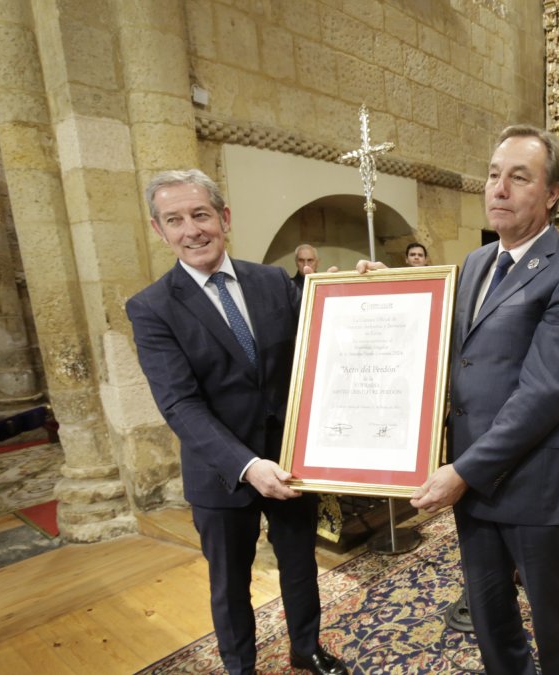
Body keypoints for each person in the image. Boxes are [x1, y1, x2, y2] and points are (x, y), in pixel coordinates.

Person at [363, 125, 559, 673]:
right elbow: (451, 347)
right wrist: (389, 294)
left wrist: (462, 471)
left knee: (553, 618)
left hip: (532, 481)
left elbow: (544, 393)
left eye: (519, 178)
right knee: (490, 610)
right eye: (494, 175)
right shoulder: (476, 263)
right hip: (472, 480)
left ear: (552, 193)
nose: (499, 188)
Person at [126, 170, 346, 675]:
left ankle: (305, 648)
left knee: (299, 563)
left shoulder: (271, 281)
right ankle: (240, 665)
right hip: (221, 472)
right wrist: (247, 465)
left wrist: (369, 290)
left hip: (292, 459)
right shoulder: (151, 308)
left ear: (223, 218)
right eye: (174, 220)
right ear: (160, 231)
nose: (191, 230)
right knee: (230, 581)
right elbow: (179, 404)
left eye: (200, 214)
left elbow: (325, 343)